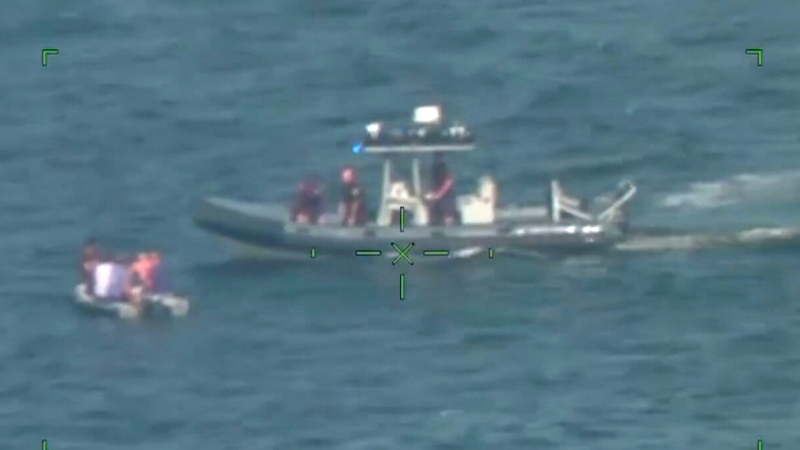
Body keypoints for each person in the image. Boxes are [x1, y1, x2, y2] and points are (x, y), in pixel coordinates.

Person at [425, 153, 458, 225]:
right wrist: (430, 193)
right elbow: (431, 181)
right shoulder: (433, 168)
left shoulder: (444, 168)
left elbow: (449, 181)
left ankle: (449, 230)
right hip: (436, 198)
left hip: (446, 197)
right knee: (433, 216)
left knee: (448, 218)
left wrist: (439, 194)